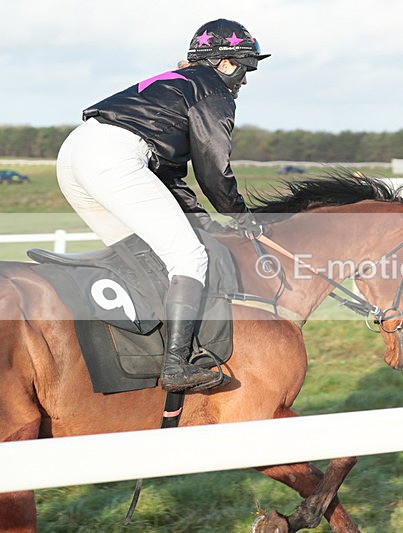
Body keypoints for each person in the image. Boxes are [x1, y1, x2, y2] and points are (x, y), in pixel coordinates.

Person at [56, 19, 268, 392]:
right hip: (114, 157)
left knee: (144, 254)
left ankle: (144, 348)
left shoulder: (176, 83)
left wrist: (203, 221)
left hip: (74, 152)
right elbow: (214, 167)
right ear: (227, 63)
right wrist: (240, 215)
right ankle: (175, 365)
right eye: (246, 68)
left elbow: (169, 177)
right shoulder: (214, 92)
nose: (246, 81)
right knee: (189, 258)